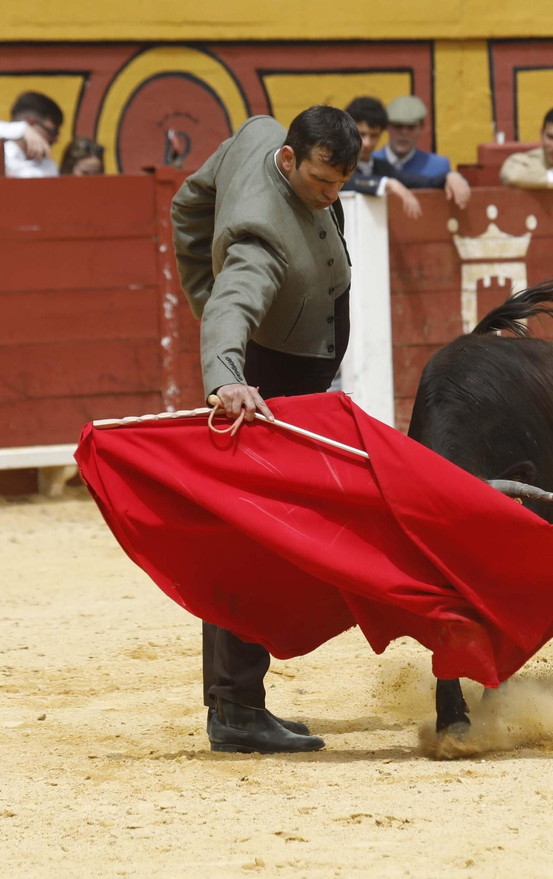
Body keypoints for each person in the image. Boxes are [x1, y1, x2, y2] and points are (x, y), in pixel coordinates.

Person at [170, 105, 358, 755]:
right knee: (252, 538)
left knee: (254, 534)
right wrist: (227, 374)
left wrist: (200, 273)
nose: (332, 198)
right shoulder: (263, 236)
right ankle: (237, 707)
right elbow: (233, 301)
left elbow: (187, 202)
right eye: (321, 185)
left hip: (279, 367)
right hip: (265, 385)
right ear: (288, 159)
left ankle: (236, 701)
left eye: (339, 186)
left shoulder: (259, 129)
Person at [341, 96, 436, 219]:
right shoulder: (337, 165)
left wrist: (449, 177)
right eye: (361, 134)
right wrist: (387, 183)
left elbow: (420, 181)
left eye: (374, 135)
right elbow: (346, 181)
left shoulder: (382, 167)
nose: (367, 143)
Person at [375, 95, 471, 209]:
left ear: (422, 127)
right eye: (398, 126)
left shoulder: (438, 166)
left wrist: (453, 176)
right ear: (387, 126)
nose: (404, 133)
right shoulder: (371, 162)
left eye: (411, 127)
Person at [0, 92, 63, 179]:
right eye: (53, 132)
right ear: (31, 123)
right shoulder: (0, 154)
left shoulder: (48, 166)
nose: (56, 139)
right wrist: (22, 128)